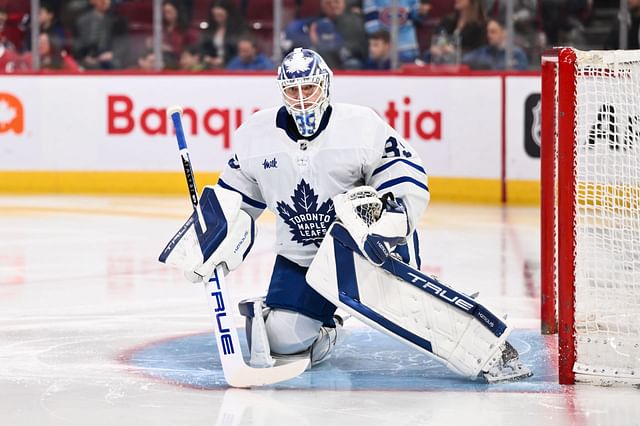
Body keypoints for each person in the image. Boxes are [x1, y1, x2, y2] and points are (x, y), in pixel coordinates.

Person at [162, 48, 531, 382]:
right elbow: (236, 201)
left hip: (365, 251)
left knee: (421, 316)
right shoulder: (255, 136)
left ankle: (487, 345)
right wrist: (211, 238)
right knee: (281, 341)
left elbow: (403, 172)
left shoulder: (361, 125)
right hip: (301, 259)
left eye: (310, 88)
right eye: (293, 91)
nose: (302, 99)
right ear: (282, 92)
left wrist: (392, 219)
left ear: (326, 86)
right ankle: (332, 321)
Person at [362, 0, 431, 63]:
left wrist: (422, 13)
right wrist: (383, 47)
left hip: (408, 49)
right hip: (384, 53)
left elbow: (417, 19)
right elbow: (372, 27)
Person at [72, 0, 128, 70]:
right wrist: (85, 57)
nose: (105, 1)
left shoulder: (119, 20)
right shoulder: (82, 21)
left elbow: (123, 44)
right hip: (87, 62)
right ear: (92, 1)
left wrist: (112, 54)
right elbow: (77, 46)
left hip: (111, 63)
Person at [429, 0, 487, 64]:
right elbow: (436, 38)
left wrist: (456, 52)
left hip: (467, 68)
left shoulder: (481, 25)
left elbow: (480, 52)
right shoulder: (447, 20)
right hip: (441, 65)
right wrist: (435, 47)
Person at [462, 17, 529, 70]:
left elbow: (518, 77)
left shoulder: (517, 54)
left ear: (504, 33)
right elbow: (464, 60)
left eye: (493, 32)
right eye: (488, 32)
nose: (489, 35)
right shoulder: (483, 52)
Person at [199, 0, 247, 69]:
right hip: (211, 66)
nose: (217, 18)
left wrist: (224, 60)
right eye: (215, 16)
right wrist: (207, 58)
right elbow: (203, 48)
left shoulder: (240, 30)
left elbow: (240, 50)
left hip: (232, 66)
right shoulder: (210, 30)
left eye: (220, 15)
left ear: (228, 13)